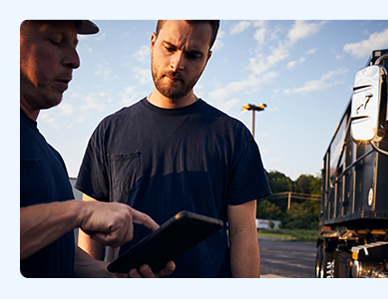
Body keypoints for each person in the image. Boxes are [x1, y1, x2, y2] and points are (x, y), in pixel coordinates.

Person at [75, 20, 271, 278]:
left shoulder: (234, 137)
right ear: (153, 43)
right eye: (169, 47)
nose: (177, 64)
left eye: (193, 55)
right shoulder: (109, 130)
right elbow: (91, 229)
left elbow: (242, 232)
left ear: (208, 58)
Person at [20, 20, 175, 278]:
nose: (75, 60)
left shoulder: (52, 157)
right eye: (56, 41)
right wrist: (80, 211)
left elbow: (53, 251)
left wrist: (107, 273)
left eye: (75, 45)